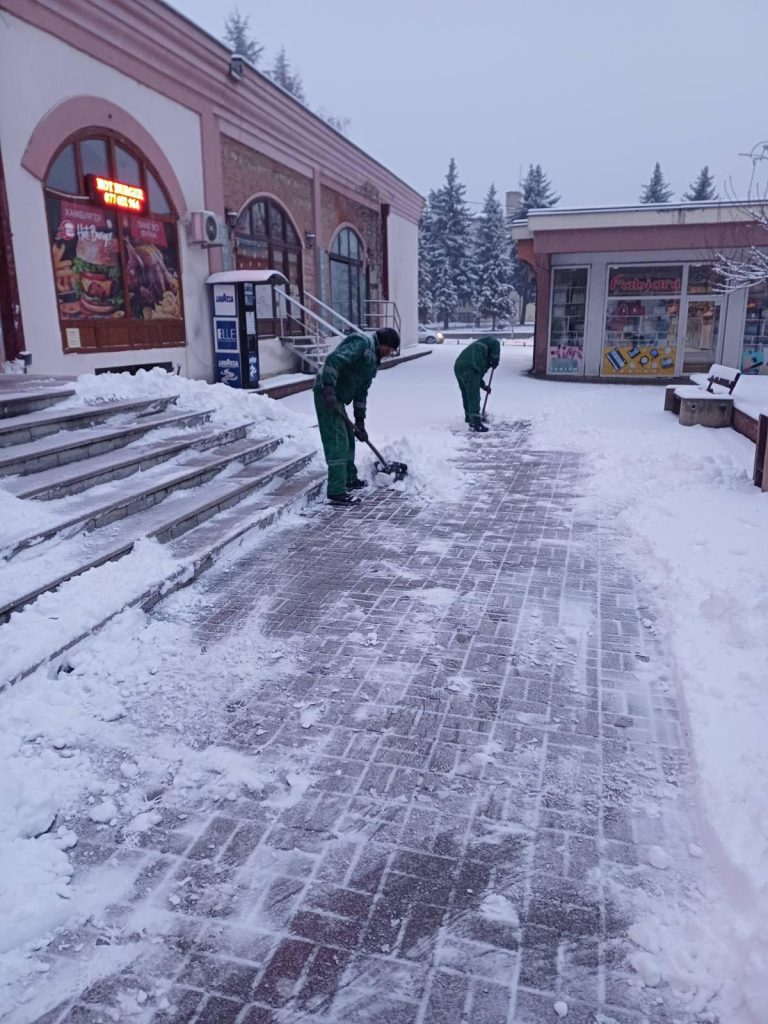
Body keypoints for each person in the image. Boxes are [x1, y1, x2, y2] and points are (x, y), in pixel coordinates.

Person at [313, 326, 400, 505]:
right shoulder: (361, 343)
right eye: (390, 350)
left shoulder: (372, 362)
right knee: (338, 441)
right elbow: (334, 360)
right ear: (383, 344)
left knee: (348, 438)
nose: (389, 354)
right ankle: (336, 491)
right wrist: (328, 386)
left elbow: (361, 393)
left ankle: (349, 479)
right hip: (327, 394)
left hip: (338, 398)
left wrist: (360, 422)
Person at [454, 336, 501, 432]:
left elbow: (476, 378)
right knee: (474, 395)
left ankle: (469, 417)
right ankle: (475, 422)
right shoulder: (491, 344)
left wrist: (484, 386)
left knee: (466, 393)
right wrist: (495, 359)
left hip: (458, 367)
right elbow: (495, 342)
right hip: (470, 367)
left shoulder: (478, 348)